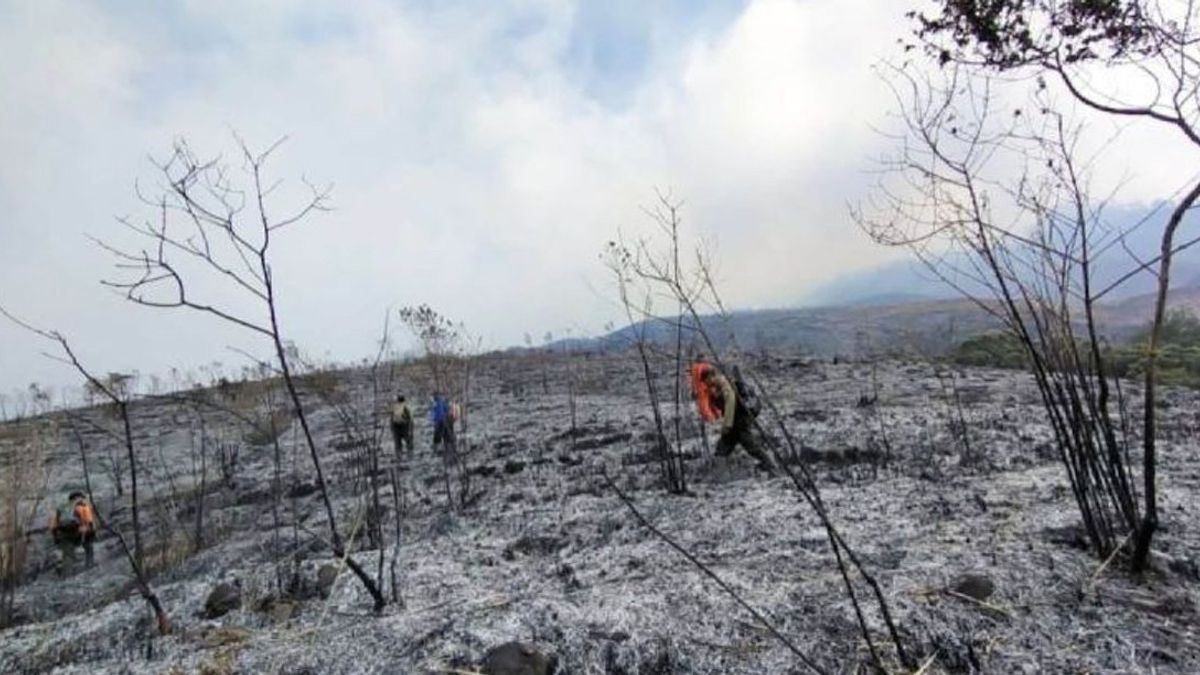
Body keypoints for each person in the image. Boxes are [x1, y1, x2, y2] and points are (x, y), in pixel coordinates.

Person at [693, 361, 776, 474]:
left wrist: (727, 424)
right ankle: (719, 471)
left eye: (706, 380)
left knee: (750, 445)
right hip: (735, 421)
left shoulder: (725, 384)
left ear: (712, 376)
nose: (706, 384)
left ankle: (771, 466)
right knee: (723, 447)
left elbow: (730, 402)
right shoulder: (717, 387)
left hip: (740, 419)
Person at [50, 491, 97, 575]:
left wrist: (55, 537)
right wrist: (93, 532)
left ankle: (66, 576)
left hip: (64, 533)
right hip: (81, 532)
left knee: (68, 555)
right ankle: (90, 566)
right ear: (79, 497)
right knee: (89, 547)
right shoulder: (83, 506)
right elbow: (89, 521)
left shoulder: (61, 507)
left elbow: (53, 525)